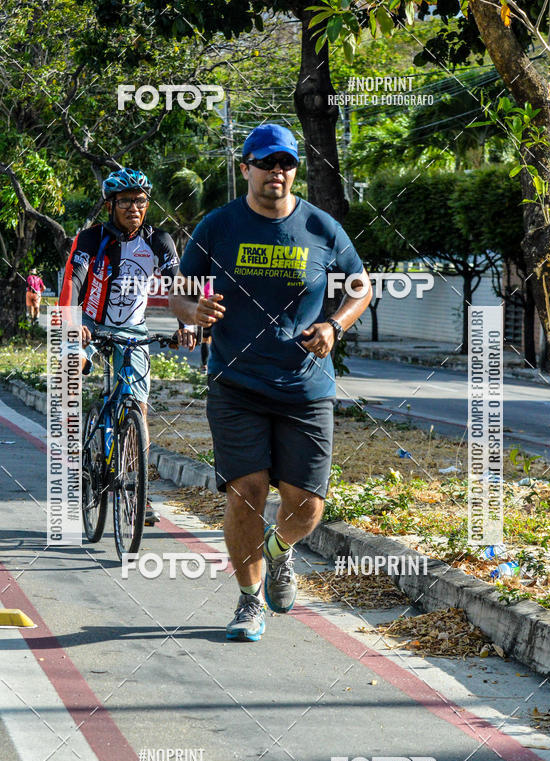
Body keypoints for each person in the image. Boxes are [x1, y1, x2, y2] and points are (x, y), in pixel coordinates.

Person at [169, 123, 372, 641]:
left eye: (285, 164)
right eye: (265, 163)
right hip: (236, 383)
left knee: (306, 506)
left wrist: (335, 325)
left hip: (306, 388)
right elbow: (180, 293)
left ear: (294, 171)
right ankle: (248, 601)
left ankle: (280, 553)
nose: (276, 172)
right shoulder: (217, 226)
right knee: (247, 493)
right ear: (246, 169)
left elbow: (359, 288)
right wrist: (194, 311)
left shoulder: (322, 229)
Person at [60, 167, 196, 526]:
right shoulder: (90, 239)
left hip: (133, 329)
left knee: (138, 407)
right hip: (89, 322)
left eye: (140, 201)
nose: (134, 207)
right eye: (125, 201)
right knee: (73, 367)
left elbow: (175, 284)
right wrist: (74, 327)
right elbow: (72, 283)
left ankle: (138, 490)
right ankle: (78, 450)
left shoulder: (159, 240)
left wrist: (186, 325)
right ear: (110, 204)